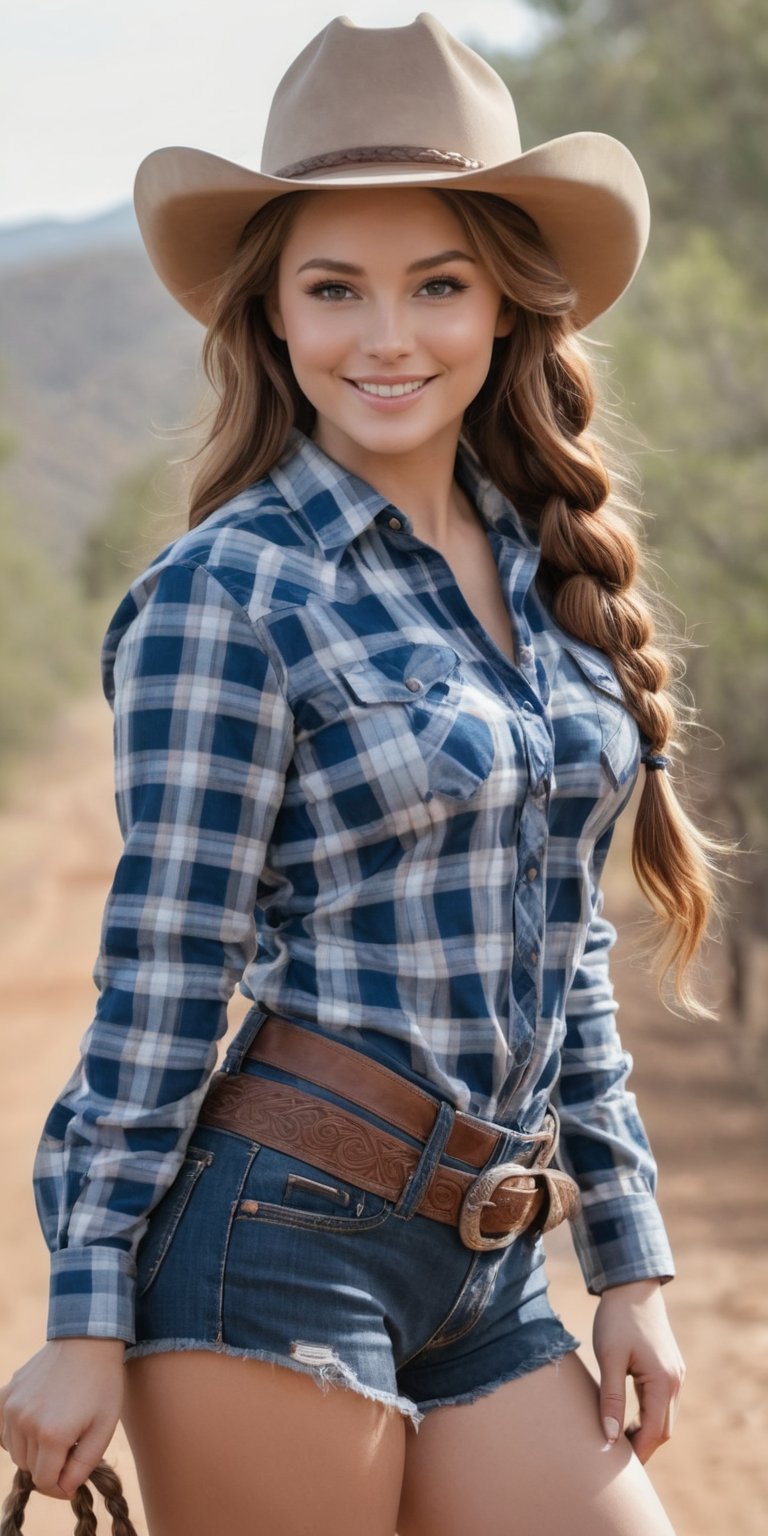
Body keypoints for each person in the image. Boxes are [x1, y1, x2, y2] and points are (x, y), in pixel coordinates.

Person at [0, 14, 727, 1535]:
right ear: (272, 314)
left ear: (506, 308)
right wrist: (82, 1317)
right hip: (276, 1245)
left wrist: (635, 1268)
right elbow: (165, 972)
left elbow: (568, 953)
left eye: (437, 285)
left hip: (490, 1251)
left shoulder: (541, 576)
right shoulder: (233, 594)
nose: (385, 337)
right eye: (334, 288)